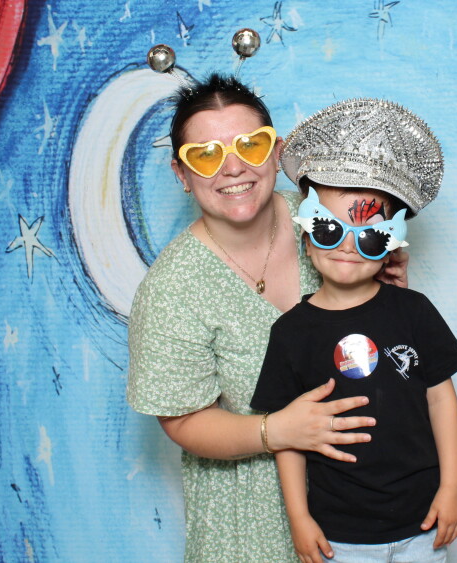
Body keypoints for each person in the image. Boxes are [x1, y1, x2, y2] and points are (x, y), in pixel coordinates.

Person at [126, 75, 406, 562]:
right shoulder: (172, 288)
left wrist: (387, 290)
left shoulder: (332, 224)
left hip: (366, 497)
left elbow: (392, 340)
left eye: (249, 145)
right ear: (181, 173)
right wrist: (274, 431)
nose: (233, 167)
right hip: (250, 517)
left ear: (276, 152)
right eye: (206, 155)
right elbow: (182, 420)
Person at [251, 98, 457, 563]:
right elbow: (288, 437)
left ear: (391, 244)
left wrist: (453, 486)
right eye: (329, 229)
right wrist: (298, 517)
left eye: (369, 236)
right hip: (340, 536)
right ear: (306, 235)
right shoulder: (289, 334)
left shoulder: (415, 311)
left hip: (423, 526)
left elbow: (441, 399)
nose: (348, 246)